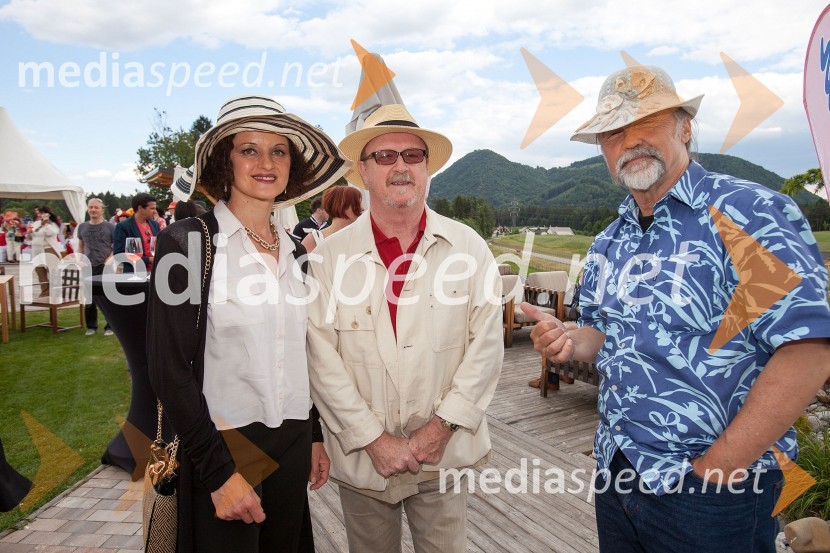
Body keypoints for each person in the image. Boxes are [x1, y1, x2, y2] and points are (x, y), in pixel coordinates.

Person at [522, 65, 830, 553]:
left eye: (646, 123)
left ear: (685, 127)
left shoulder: (748, 212)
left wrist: (718, 469)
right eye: (614, 132)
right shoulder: (610, 239)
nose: (630, 141)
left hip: (715, 493)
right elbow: (603, 334)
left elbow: (808, 349)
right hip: (618, 473)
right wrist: (567, 338)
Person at [147, 94, 351, 553]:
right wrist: (217, 473)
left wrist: (315, 433)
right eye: (249, 149)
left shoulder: (297, 253)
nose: (266, 162)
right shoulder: (186, 244)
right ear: (225, 160)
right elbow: (167, 368)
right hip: (224, 442)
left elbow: (300, 352)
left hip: (294, 437)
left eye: (278, 150)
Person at [306, 104, 503, 553]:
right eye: (385, 156)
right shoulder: (328, 259)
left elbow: (487, 346)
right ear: (363, 171)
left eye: (412, 156)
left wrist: (440, 429)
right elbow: (320, 358)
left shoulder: (468, 248)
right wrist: (373, 440)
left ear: (427, 168)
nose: (400, 166)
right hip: (363, 458)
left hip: (444, 452)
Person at [77, 198, 115, 336]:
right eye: (91, 207)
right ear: (87, 209)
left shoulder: (110, 227)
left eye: (96, 207)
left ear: (102, 210)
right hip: (88, 266)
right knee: (89, 299)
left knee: (107, 297)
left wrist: (110, 259)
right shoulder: (82, 227)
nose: (93, 210)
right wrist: (80, 258)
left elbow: (115, 245)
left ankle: (110, 326)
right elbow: (81, 245)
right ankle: (91, 326)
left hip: (105, 266)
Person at [300, 185, 363, 254]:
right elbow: (299, 263)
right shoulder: (314, 239)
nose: (362, 208)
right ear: (341, 206)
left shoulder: (361, 235)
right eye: (357, 204)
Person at [112, 192, 159, 272]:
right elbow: (119, 255)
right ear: (140, 208)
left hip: (155, 274)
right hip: (134, 275)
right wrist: (148, 260)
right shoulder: (123, 227)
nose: (155, 211)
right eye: (152, 208)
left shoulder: (155, 225)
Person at [29, 206, 61, 297]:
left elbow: (50, 233)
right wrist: (40, 225)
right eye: (39, 213)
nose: (41, 215)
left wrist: (46, 224)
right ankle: (45, 292)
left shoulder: (53, 224)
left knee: (52, 272)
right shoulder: (36, 223)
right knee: (40, 272)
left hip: (48, 249)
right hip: (37, 250)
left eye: (43, 213)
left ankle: (55, 292)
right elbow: (32, 233)